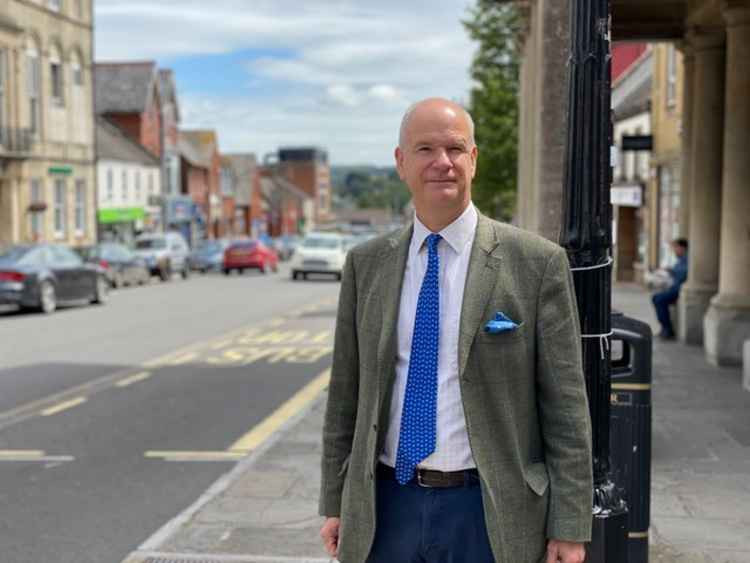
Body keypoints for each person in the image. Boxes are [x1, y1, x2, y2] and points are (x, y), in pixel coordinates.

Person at [319, 98, 592, 563]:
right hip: (387, 507)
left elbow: (565, 405)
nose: (441, 162)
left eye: (455, 149)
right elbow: (346, 394)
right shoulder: (366, 264)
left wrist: (569, 525)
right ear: (401, 163)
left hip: (489, 510)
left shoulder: (536, 263)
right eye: (425, 149)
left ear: (474, 160)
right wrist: (334, 501)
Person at [651, 238, 689, 340]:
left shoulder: (687, 259)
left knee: (659, 300)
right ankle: (664, 327)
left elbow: (683, 274)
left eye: (676, 248)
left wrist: (671, 270)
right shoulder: (680, 260)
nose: (674, 250)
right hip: (674, 288)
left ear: (682, 248)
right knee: (655, 297)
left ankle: (667, 329)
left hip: (678, 290)